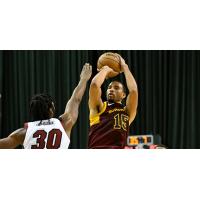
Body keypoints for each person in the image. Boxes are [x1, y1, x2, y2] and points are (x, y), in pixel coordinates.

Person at [0, 63, 92, 149]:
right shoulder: (65, 123)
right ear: (51, 110)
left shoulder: (23, 133)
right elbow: (76, 99)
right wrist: (83, 79)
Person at [88, 55, 138, 148]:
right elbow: (94, 85)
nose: (111, 90)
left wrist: (125, 67)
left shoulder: (127, 112)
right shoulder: (100, 106)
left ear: (123, 95)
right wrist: (105, 70)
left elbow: (134, 91)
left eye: (116, 88)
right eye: (109, 87)